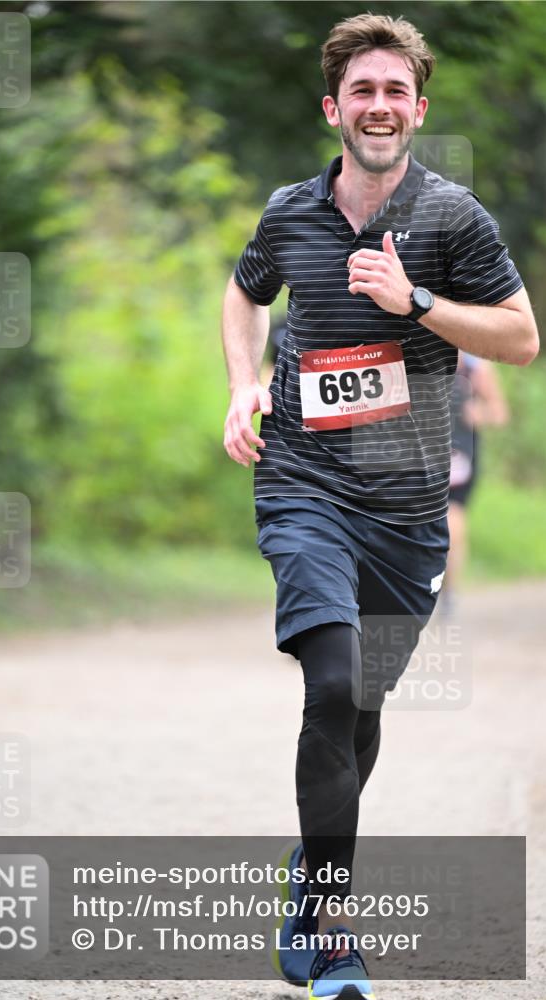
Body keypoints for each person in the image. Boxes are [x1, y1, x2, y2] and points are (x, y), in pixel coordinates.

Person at [221, 13, 538, 1000]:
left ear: (417, 109)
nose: (378, 106)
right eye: (361, 90)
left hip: (407, 514)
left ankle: (307, 874)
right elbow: (245, 295)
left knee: (359, 703)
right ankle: (329, 924)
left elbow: (520, 338)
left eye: (395, 91)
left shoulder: (452, 221)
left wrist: (417, 305)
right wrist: (242, 383)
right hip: (304, 483)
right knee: (330, 679)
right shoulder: (288, 212)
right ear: (334, 108)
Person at [443, 353, 509, 614]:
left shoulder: (476, 366)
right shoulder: (412, 347)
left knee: (453, 521)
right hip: (418, 455)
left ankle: (449, 591)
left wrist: (477, 412)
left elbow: (499, 412)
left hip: (461, 456)